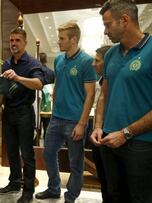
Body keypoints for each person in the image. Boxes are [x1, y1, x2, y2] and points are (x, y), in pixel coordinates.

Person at [90, 1, 152, 202]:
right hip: (109, 140)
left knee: (140, 197)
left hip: (142, 144)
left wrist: (126, 133)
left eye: (108, 25)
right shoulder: (111, 55)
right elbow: (104, 95)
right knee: (112, 195)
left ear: (125, 20)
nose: (105, 31)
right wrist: (98, 126)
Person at [35, 22, 97, 203]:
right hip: (57, 118)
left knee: (75, 163)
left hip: (74, 121)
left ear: (74, 39)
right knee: (48, 153)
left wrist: (82, 123)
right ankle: (54, 188)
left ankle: (70, 197)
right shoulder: (59, 60)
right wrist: (54, 104)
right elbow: (58, 85)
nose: (58, 41)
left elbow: (90, 94)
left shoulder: (86, 61)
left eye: (62, 38)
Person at [0, 27, 45, 203]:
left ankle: (28, 191)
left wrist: (18, 78)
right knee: (11, 151)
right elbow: (3, 88)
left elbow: (39, 84)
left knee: (27, 154)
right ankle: (14, 182)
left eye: (17, 40)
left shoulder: (33, 63)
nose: (14, 43)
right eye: (11, 40)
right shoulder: (6, 64)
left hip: (24, 114)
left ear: (25, 42)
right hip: (8, 113)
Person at [89, 45, 112, 203]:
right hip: (100, 132)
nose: (93, 64)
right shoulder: (101, 80)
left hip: (112, 133)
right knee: (104, 178)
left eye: (97, 60)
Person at [39, 52, 55, 142]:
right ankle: (45, 147)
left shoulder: (35, 71)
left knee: (35, 128)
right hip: (48, 105)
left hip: (37, 103)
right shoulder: (52, 73)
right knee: (46, 128)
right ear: (46, 60)